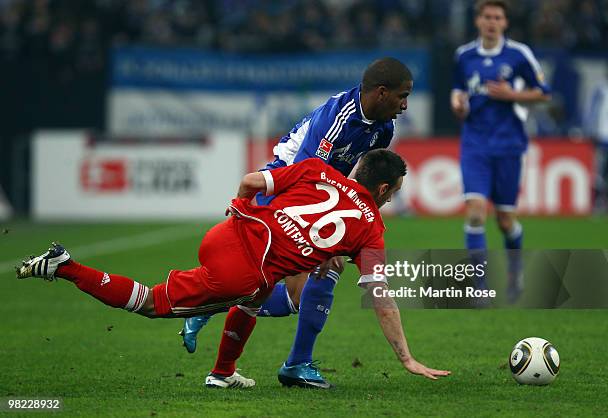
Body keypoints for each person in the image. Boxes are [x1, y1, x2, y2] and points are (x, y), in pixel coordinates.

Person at [16, 150, 450, 389]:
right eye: (394, 191)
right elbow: (380, 295)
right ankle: (65, 265)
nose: (393, 198)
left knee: (257, 294)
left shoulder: (319, 169)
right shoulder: (372, 229)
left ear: (356, 169)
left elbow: (249, 181)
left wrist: (239, 211)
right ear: (382, 189)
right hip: (242, 270)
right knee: (152, 303)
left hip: (230, 231)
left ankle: (222, 373)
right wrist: (407, 358)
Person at [181, 57, 414, 388]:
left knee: (295, 295)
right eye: (402, 96)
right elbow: (306, 173)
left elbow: (357, 178)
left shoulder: (384, 129)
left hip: (322, 199)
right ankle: (293, 361)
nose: (405, 105)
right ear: (380, 92)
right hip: (283, 187)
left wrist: (348, 223)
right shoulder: (338, 118)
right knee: (305, 274)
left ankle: (215, 315)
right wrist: (328, 235)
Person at [450, 0, 551, 302]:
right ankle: (479, 286)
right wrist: (457, 104)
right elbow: (458, 90)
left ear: (505, 23)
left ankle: (515, 271)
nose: (492, 22)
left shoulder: (519, 55)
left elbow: (544, 93)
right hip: (475, 144)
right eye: (487, 17)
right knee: (476, 212)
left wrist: (512, 95)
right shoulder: (464, 56)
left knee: (505, 220)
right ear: (478, 21)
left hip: (508, 145)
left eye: (497, 17)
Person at [584, 64, 608, 213]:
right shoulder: (601, 90)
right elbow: (591, 112)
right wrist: (590, 130)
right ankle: (598, 204)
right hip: (603, 138)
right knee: (599, 174)